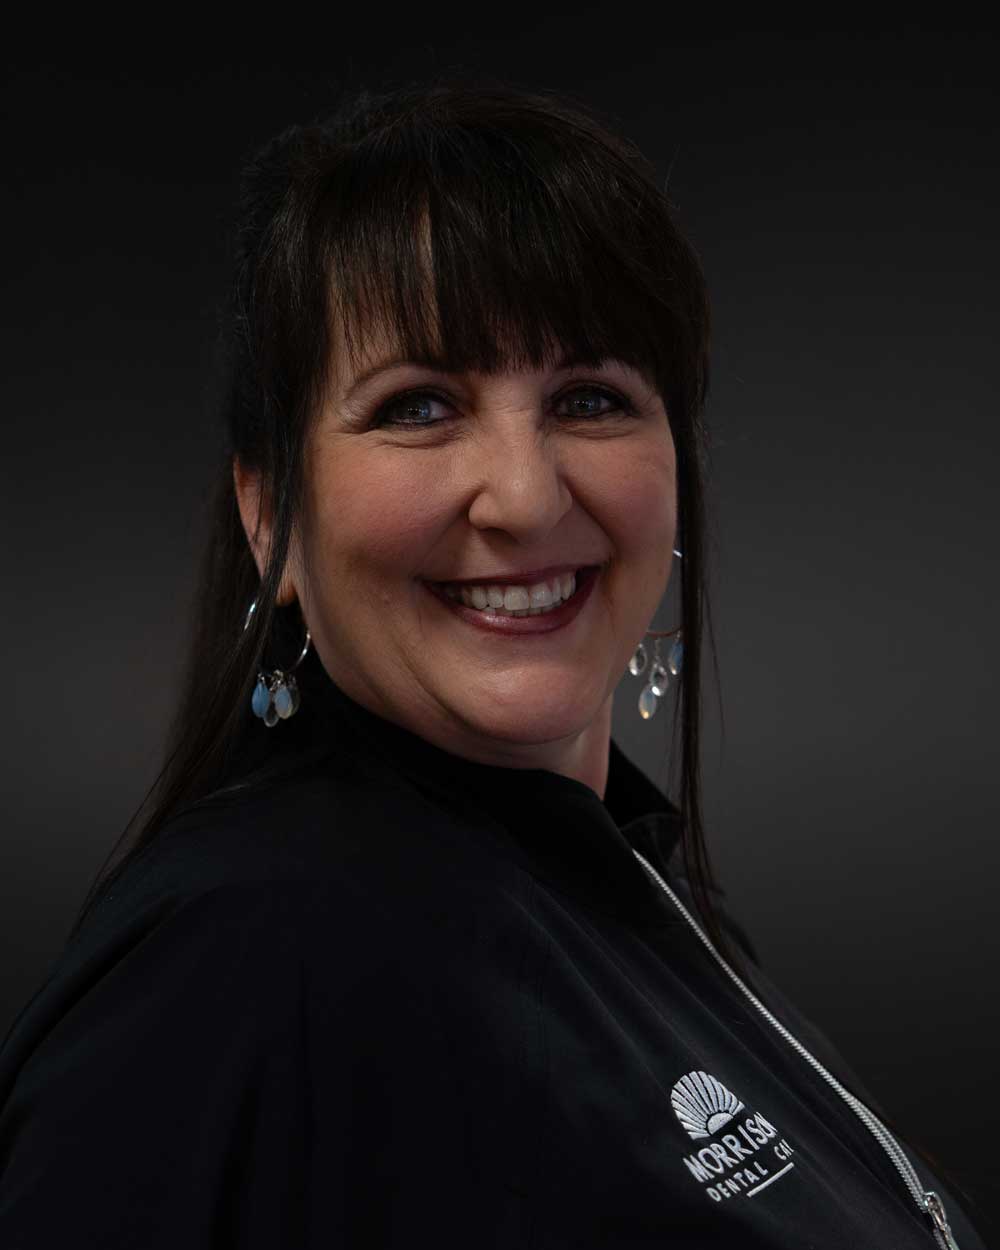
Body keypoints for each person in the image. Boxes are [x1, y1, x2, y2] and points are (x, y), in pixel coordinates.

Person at [0, 74, 986, 1249]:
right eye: (418, 405)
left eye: (587, 395)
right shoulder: (243, 958)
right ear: (271, 520)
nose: (524, 496)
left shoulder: (615, 866)